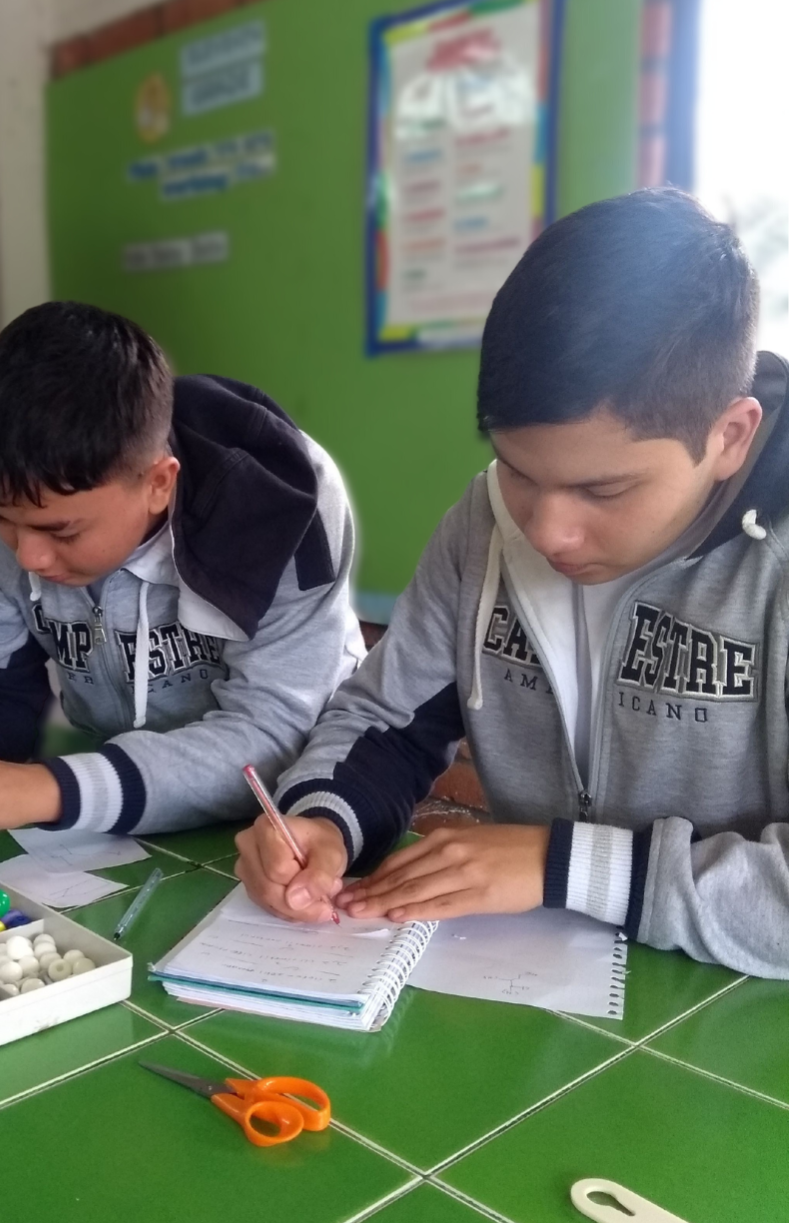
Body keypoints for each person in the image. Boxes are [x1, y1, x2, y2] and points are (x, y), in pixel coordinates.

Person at [235, 187, 789, 977]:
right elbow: (388, 718)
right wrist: (324, 819)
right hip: (538, 982)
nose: (545, 528)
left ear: (729, 436)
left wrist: (562, 866)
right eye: (518, 469)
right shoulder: (484, 518)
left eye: (603, 491)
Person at [0, 302, 364, 843]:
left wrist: (42, 789)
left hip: (299, 816)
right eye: (7, 521)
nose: (28, 557)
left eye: (62, 532)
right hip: (117, 796)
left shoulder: (284, 506)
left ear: (158, 483)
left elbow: (270, 738)